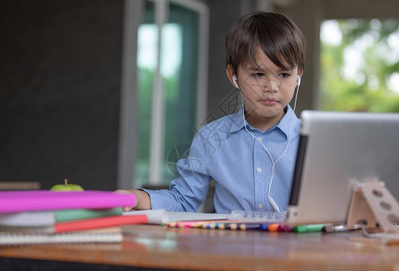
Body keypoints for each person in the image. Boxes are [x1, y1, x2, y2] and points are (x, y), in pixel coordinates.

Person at [119, 11, 306, 214]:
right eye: (258, 74)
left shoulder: (312, 140)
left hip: (295, 246)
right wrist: (138, 197)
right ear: (233, 75)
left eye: (284, 74)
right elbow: (183, 200)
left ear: (298, 76)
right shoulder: (210, 138)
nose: (271, 86)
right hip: (228, 245)